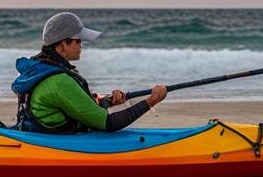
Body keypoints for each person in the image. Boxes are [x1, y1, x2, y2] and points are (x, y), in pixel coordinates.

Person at [12, 12, 166, 133]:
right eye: (78, 40)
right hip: (57, 146)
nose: (82, 45)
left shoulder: (38, 69)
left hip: (36, 134)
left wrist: (107, 101)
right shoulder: (59, 81)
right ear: (61, 46)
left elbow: (74, 104)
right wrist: (152, 100)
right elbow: (109, 123)